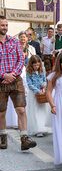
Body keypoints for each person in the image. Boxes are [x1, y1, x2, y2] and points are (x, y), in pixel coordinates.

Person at [0, 16, 37, 151]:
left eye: (6, 25)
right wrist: (4, 75)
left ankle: (24, 138)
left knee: (21, 109)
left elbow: (21, 59)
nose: (4, 27)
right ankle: (3, 137)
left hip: (16, 80)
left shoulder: (14, 41)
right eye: (2, 25)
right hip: (1, 81)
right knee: (1, 112)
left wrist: (13, 74)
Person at [26, 55, 50, 137]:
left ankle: (43, 127)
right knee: (35, 110)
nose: (37, 66)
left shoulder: (42, 70)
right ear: (31, 65)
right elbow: (29, 84)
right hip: (33, 94)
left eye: (38, 65)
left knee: (42, 110)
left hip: (42, 93)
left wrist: (44, 86)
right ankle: (37, 129)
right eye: (35, 65)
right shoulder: (29, 72)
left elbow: (44, 80)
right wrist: (37, 91)